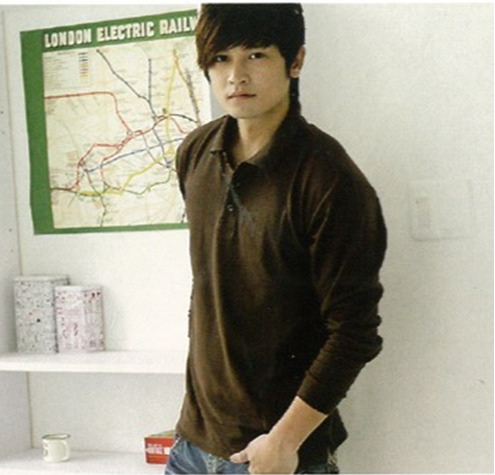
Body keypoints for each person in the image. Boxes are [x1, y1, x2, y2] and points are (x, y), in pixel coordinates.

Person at [166, 4, 387, 474]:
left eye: (256, 55)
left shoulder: (329, 178)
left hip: (273, 455)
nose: (236, 76)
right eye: (221, 58)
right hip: (190, 446)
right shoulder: (196, 153)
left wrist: (283, 443)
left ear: (296, 61)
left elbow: (355, 331)